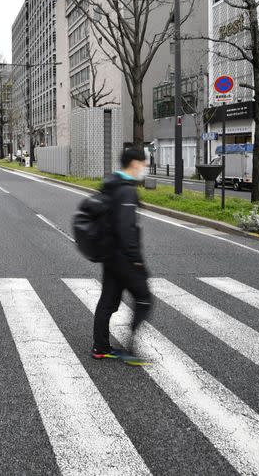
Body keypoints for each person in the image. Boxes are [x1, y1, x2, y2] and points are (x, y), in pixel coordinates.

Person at [92, 147, 153, 361]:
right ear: (135, 163)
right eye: (144, 163)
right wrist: (136, 261)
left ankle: (100, 347)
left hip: (109, 255)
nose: (145, 166)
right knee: (144, 299)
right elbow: (126, 229)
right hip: (123, 258)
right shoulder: (126, 190)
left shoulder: (112, 183)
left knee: (108, 301)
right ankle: (131, 348)